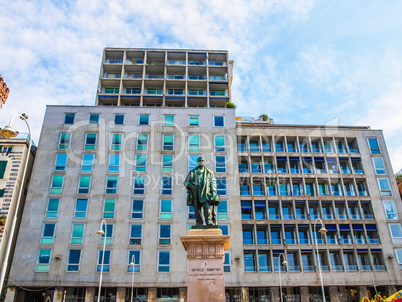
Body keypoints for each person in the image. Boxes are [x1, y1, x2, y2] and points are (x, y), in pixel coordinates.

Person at [184, 156, 220, 226]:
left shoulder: (209, 172)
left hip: (205, 192)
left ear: (204, 162)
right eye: (199, 161)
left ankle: (209, 221)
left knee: (207, 207)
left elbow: (213, 182)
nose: (201, 162)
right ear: (197, 162)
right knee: (197, 209)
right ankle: (199, 222)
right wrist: (191, 185)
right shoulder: (192, 172)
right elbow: (186, 182)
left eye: (202, 160)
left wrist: (213, 192)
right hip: (195, 192)